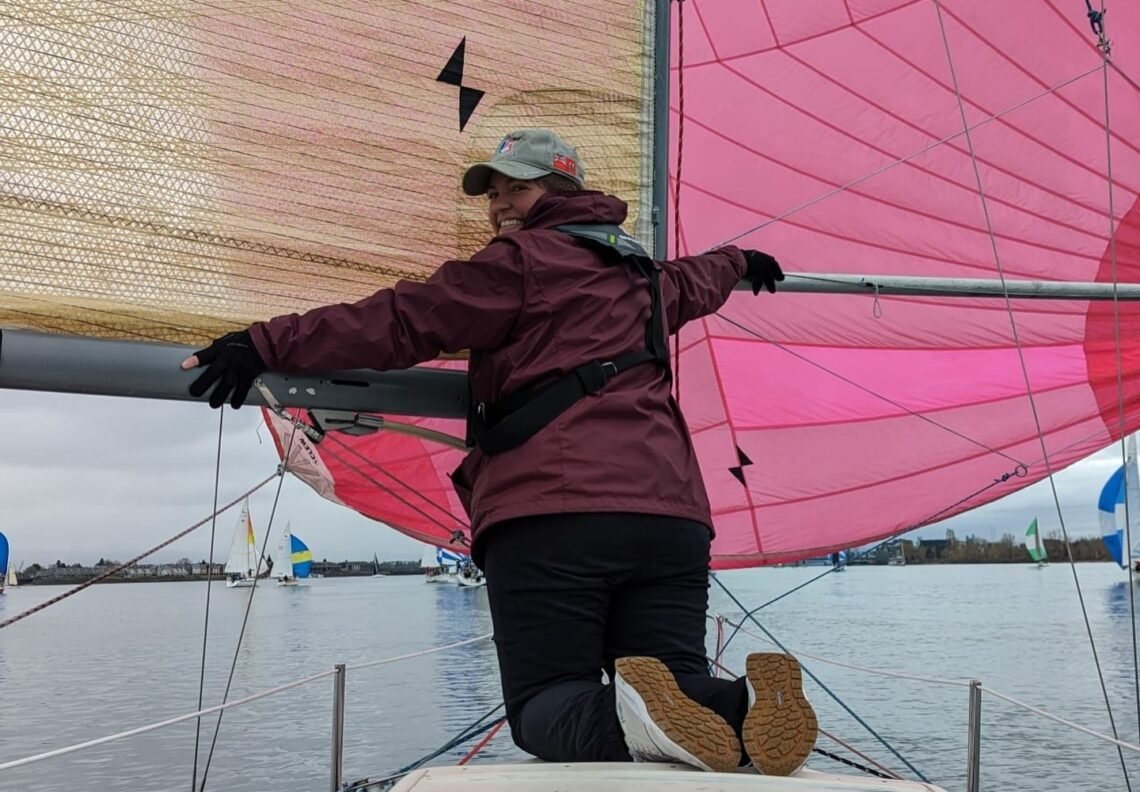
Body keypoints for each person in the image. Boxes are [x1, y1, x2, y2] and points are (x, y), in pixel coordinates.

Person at [180, 128, 816, 774]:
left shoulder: (517, 264)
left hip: (553, 516)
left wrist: (263, 345)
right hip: (672, 519)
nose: (499, 205)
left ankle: (640, 719)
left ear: (562, 191)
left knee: (546, 703)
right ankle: (746, 699)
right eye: (493, 192)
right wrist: (743, 261)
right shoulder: (645, 277)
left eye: (519, 187)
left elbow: (402, 319)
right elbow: (702, 277)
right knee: (676, 681)